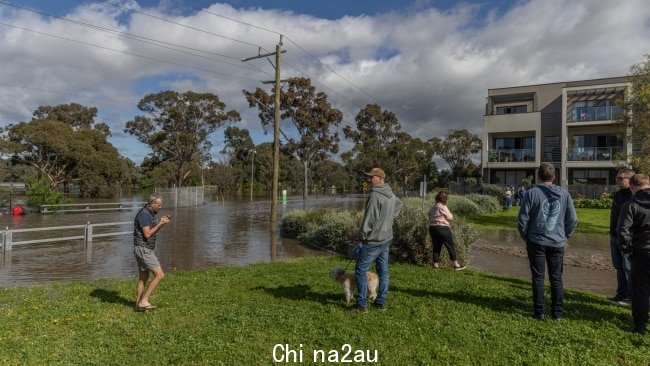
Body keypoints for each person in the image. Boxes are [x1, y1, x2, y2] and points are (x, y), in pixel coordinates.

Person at [517, 163, 577, 320]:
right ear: (554, 177)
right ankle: (557, 313)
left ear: (538, 176)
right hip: (556, 241)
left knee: (538, 277)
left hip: (536, 241)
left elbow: (522, 219)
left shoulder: (531, 193)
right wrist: (565, 236)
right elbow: (573, 220)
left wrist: (526, 237)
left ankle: (539, 313)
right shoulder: (565, 194)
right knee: (556, 278)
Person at [353, 168, 402, 312]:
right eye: (368, 177)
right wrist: (388, 220)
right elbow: (399, 204)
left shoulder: (375, 194)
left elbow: (369, 219)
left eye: (371, 177)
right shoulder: (390, 193)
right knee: (383, 272)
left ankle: (361, 305)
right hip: (386, 239)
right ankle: (380, 302)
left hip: (373, 241)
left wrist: (362, 238)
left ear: (380, 178)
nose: (368, 180)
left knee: (360, 270)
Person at [618, 174, 650, 334]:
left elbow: (622, 231)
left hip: (642, 251)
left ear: (631, 186)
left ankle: (640, 326)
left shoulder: (631, 204)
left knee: (640, 290)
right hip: (642, 249)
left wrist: (627, 250)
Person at [133, 193, 171, 311]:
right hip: (144, 249)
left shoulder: (148, 213)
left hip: (141, 248)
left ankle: (138, 305)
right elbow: (147, 234)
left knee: (143, 277)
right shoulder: (144, 215)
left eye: (161, 205)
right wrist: (160, 223)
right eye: (158, 205)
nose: (160, 207)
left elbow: (150, 231)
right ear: (151, 204)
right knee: (159, 275)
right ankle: (144, 301)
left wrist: (161, 223)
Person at [609, 168, 635, 304]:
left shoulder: (635, 196)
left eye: (620, 178)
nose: (617, 180)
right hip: (614, 235)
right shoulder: (618, 195)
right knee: (619, 267)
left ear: (630, 180)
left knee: (628, 268)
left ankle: (630, 297)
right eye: (617, 178)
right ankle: (621, 294)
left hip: (628, 237)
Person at [428, 191, 466, 271]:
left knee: (436, 246)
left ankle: (435, 264)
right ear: (444, 199)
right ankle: (456, 265)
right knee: (450, 245)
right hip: (442, 228)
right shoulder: (443, 207)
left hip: (432, 228)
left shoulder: (433, 207)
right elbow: (450, 218)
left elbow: (429, 215)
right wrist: (451, 214)